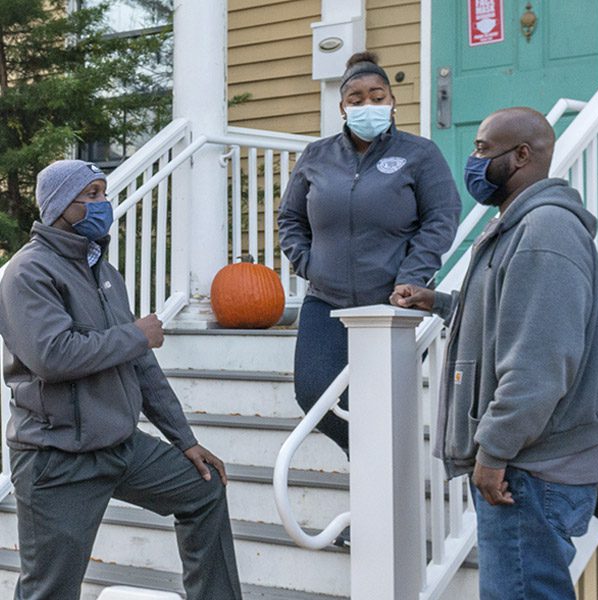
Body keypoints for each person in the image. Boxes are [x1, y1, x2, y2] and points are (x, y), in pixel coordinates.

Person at [393, 107, 598, 599]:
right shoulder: (520, 226)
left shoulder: (543, 232)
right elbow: (514, 320)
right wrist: (443, 303)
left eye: (481, 149)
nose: (473, 161)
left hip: (531, 468)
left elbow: (540, 362)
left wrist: (494, 450)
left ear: (520, 156)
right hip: (530, 463)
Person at [0, 160, 242, 599]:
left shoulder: (104, 273)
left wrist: (184, 439)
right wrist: (136, 334)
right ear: (59, 206)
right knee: (50, 590)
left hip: (119, 445)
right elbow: (53, 356)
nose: (103, 204)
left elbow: (141, 366)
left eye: (103, 193)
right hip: (57, 459)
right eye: (90, 195)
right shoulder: (27, 273)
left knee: (203, 491)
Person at [278, 50, 460, 462]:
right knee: (314, 395)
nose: (368, 105)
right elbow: (290, 217)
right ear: (342, 108)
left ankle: (373, 505)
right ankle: (366, 461)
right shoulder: (316, 156)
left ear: (392, 102)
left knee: (382, 404)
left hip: (392, 304)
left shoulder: (420, 154)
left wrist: (413, 276)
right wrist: (308, 265)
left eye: (377, 96)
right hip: (326, 300)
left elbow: (441, 217)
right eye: (356, 99)